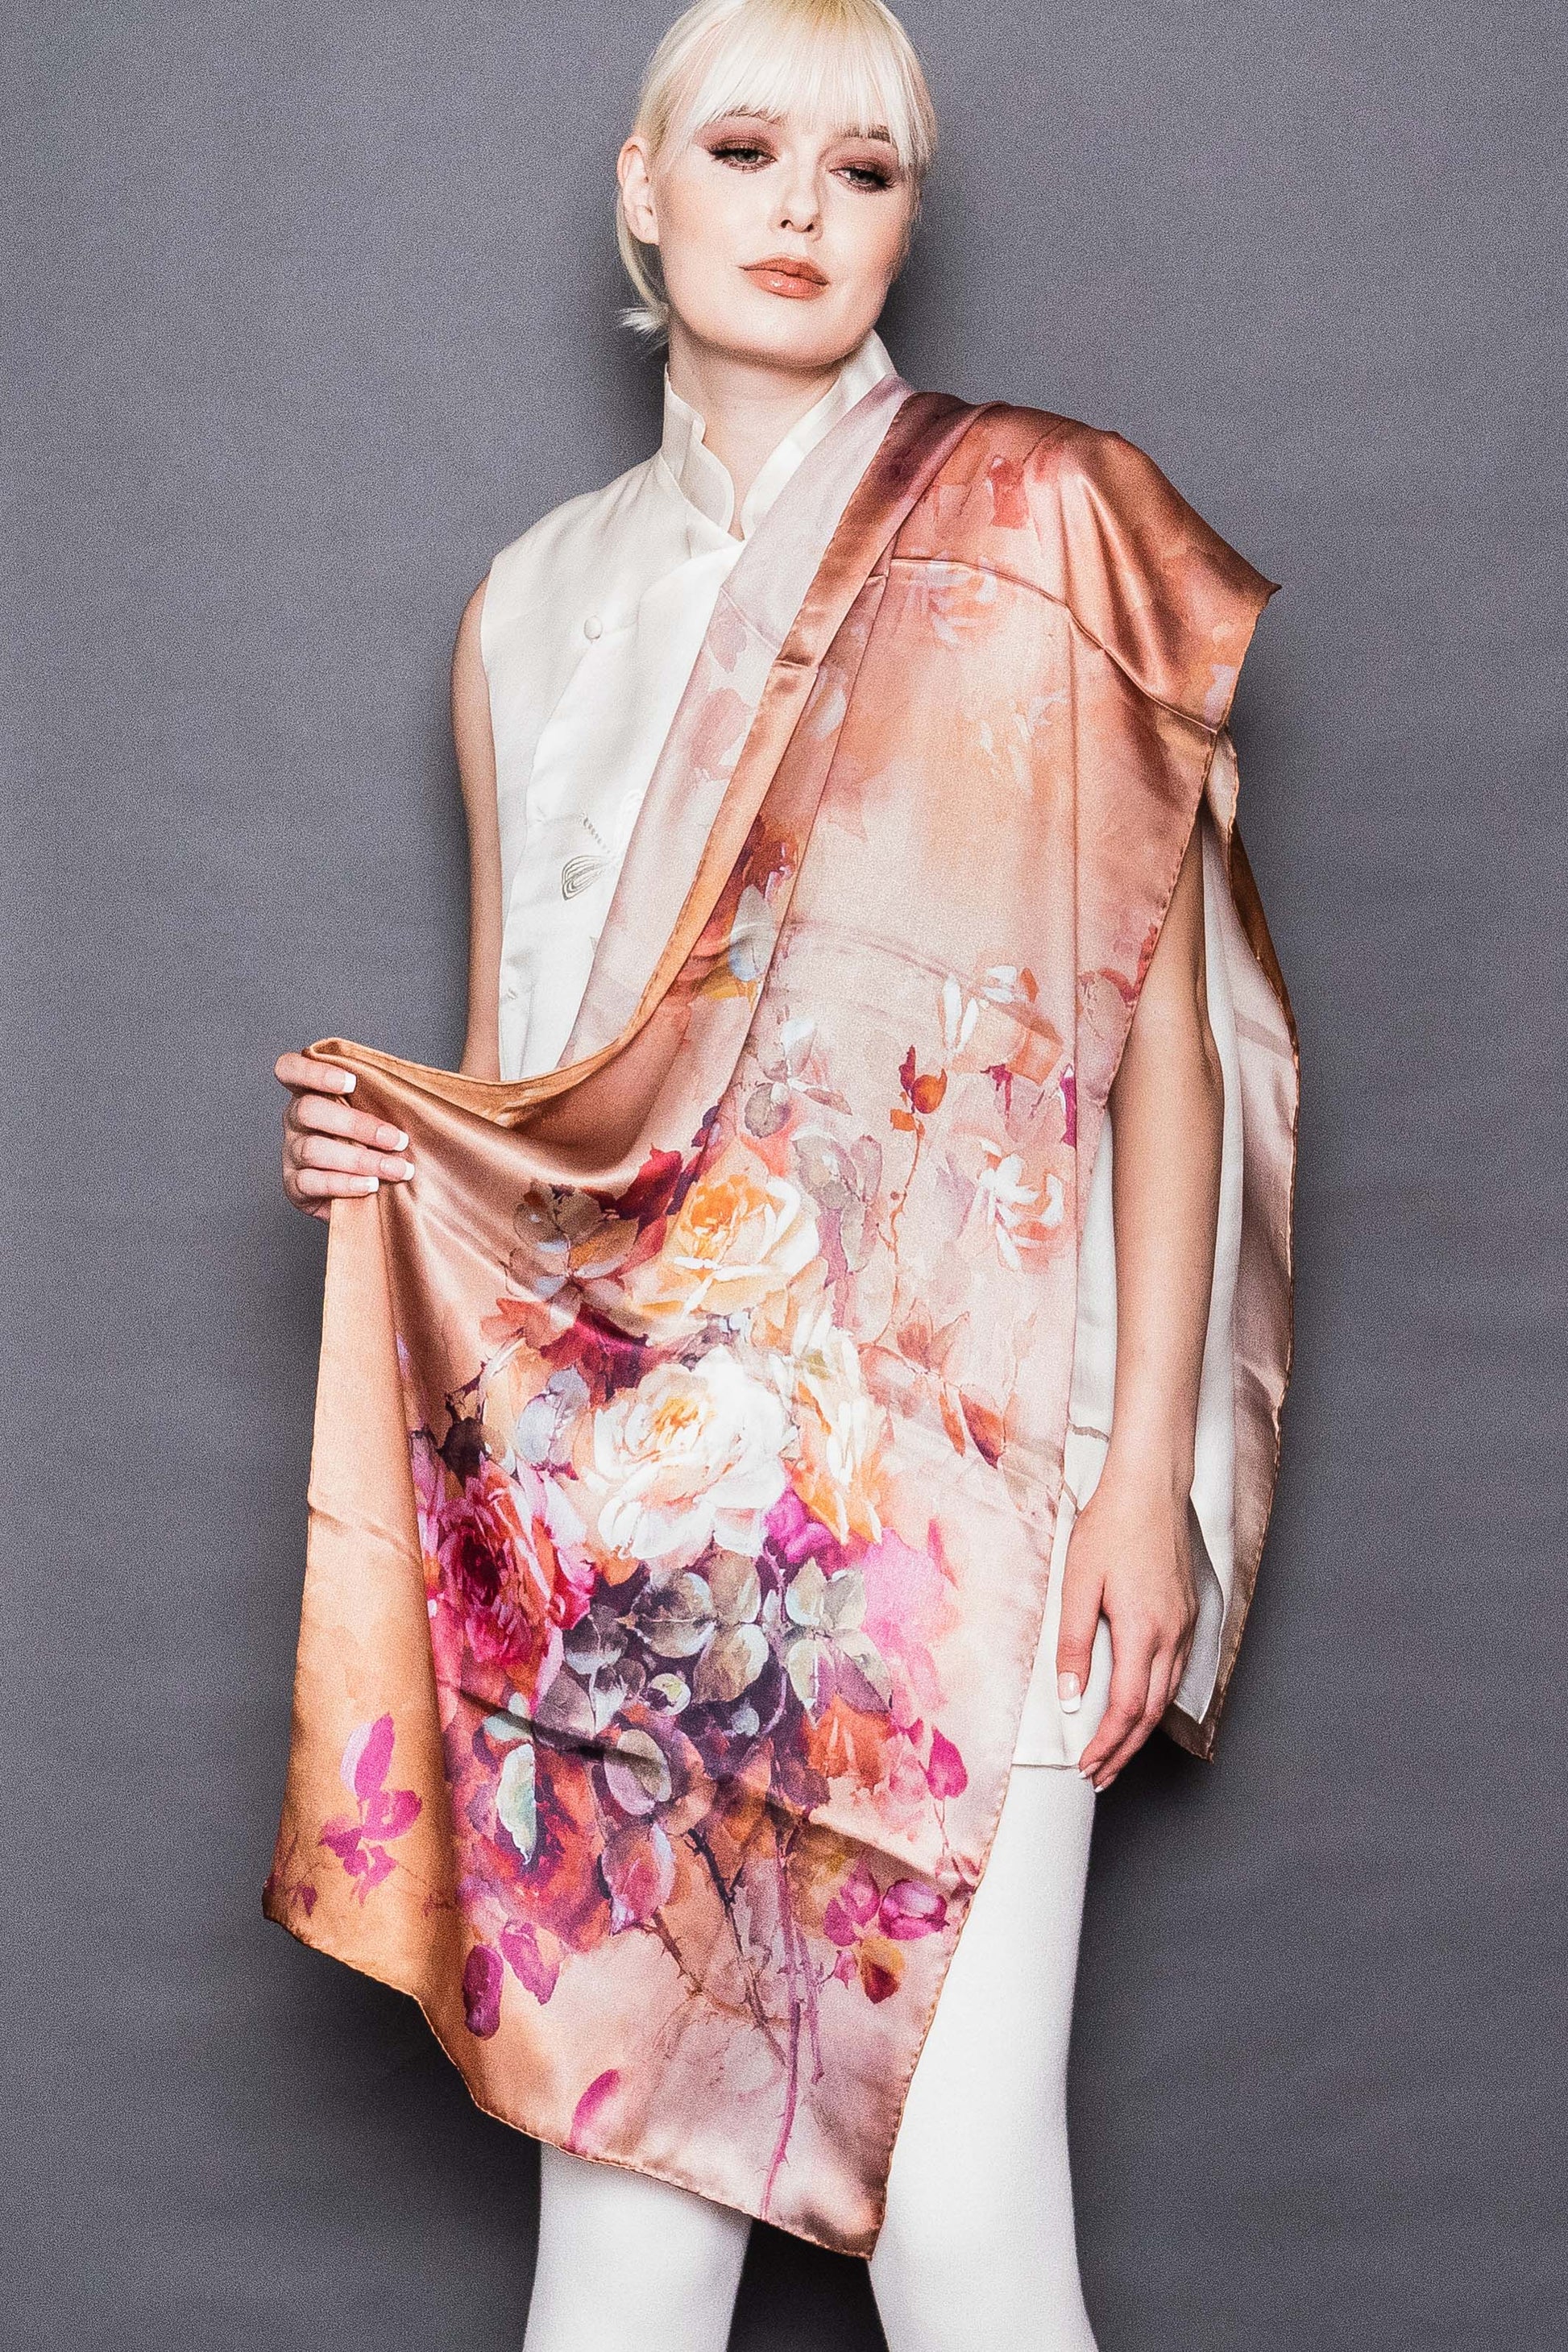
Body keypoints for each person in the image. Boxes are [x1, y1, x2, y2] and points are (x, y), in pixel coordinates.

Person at [271, 5, 1292, 2346]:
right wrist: (387, 1152)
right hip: (628, 1517)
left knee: (963, 2219)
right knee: (622, 2244)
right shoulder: (530, 608)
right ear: (646, 192)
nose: (802, 210)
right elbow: (542, 1103)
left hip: (963, 1482)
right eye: (743, 150)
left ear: (906, 216)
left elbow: (1150, 1048)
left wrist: (1138, 1481)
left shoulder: (1041, 523)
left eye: (862, 168)